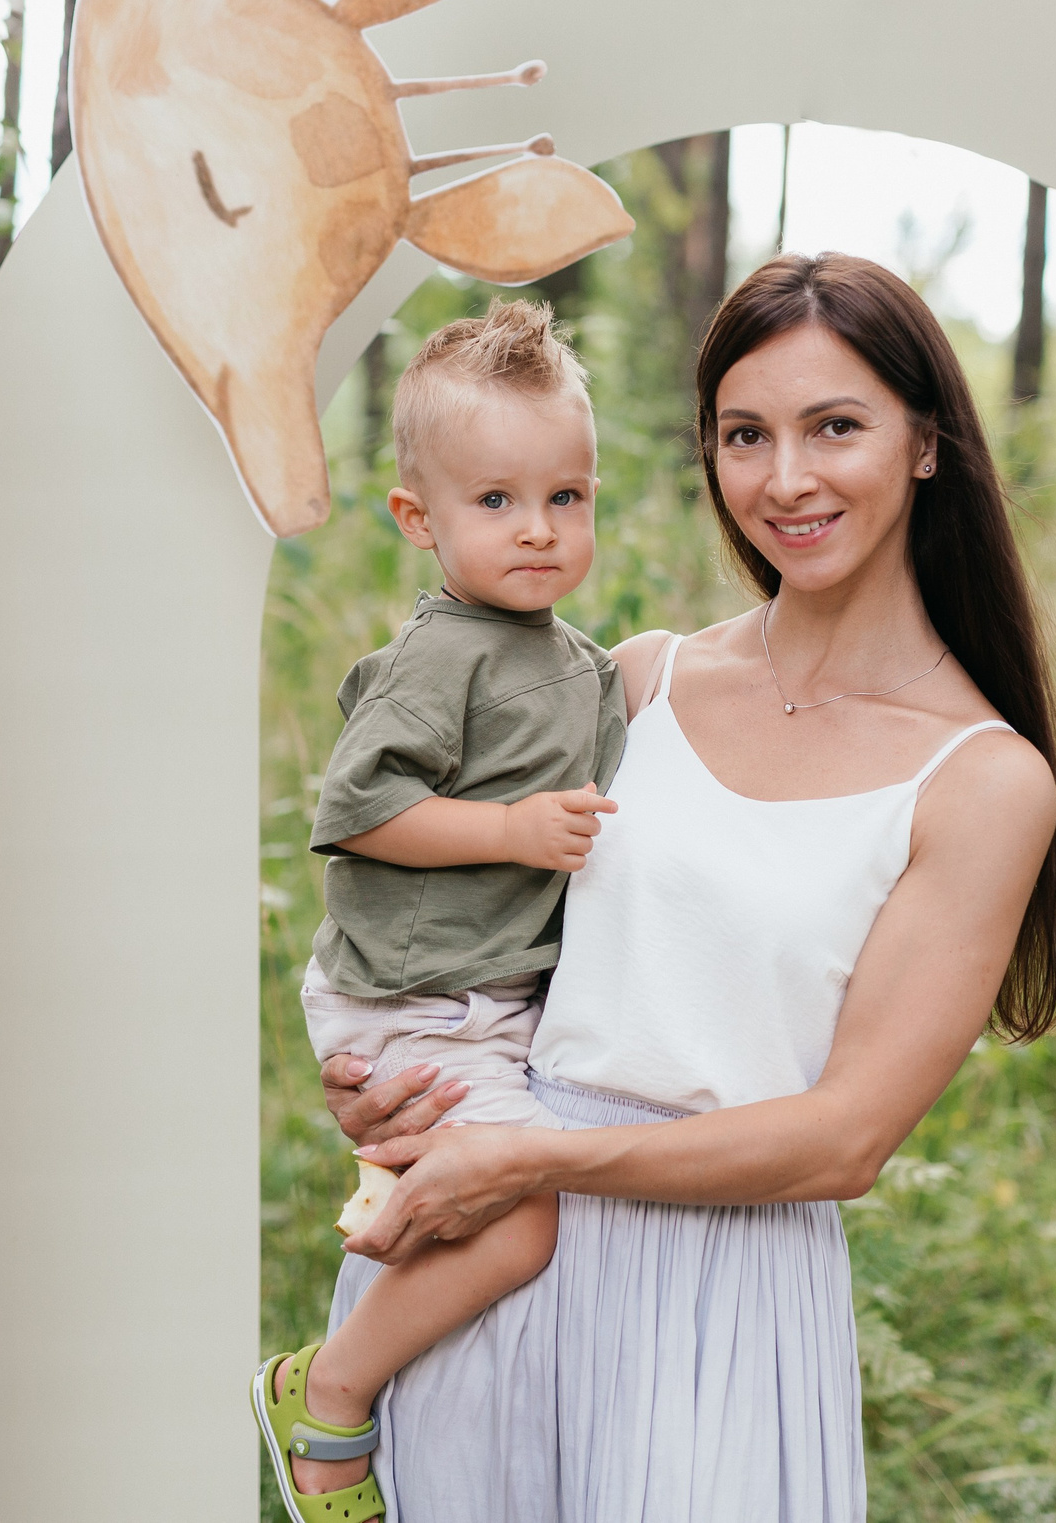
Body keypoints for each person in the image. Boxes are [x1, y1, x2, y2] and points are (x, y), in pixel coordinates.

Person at [314, 252, 1056, 1523]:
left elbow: (843, 1141)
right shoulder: (634, 681)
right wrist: (385, 1060)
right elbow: (467, 932)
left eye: (834, 426)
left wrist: (532, 1159)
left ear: (925, 444)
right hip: (489, 1267)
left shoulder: (982, 781)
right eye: (745, 435)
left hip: (715, 1312)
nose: (784, 479)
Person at [252, 301, 628, 1523]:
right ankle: (328, 1399)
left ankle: (377, 1286)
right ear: (418, 519)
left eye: (564, 498)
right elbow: (358, 808)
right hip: (409, 985)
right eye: (497, 502)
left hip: (478, 994)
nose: (538, 530)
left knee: (450, 1210)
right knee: (516, 1233)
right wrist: (512, 831)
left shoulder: (579, 661)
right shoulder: (443, 656)